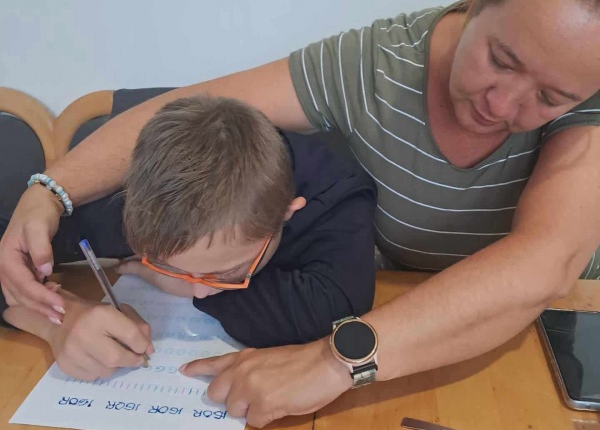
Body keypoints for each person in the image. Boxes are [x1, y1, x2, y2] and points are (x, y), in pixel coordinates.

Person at [2, 0, 600, 428]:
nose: (503, 106)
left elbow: (542, 265)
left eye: (551, 98)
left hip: (548, 346)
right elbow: (187, 112)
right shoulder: (375, 63)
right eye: (500, 59)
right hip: (406, 331)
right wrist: (50, 193)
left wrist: (336, 361)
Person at [1, 95, 376, 381]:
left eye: (225, 272)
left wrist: (168, 280)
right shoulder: (132, 198)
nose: (198, 290)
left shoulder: (337, 197)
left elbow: (335, 314)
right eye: (170, 265)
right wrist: (57, 320)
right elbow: (11, 253)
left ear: (287, 213)